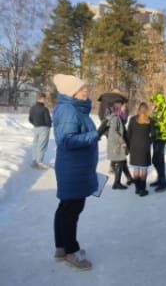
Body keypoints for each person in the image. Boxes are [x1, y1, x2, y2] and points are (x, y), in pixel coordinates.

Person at [52, 73, 99, 270]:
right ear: (71, 92)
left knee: (66, 208)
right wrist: (95, 135)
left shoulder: (74, 110)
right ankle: (71, 251)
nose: (85, 90)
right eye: (81, 89)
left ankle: (61, 248)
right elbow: (66, 140)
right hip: (73, 170)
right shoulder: (68, 111)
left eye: (85, 87)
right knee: (71, 211)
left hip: (77, 168)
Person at [99, 102, 133, 190]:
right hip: (116, 144)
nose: (125, 108)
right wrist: (122, 141)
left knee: (122, 161)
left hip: (115, 143)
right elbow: (114, 132)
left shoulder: (118, 117)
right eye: (124, 106)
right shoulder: (115, 118)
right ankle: (116, 183)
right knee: (121, 161)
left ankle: (129, 178)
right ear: (119, 107)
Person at [97, 89, 129, 173]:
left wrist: (105, 123)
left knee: (112, 145)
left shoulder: (104, 100)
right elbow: (125, 116)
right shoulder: (121, 100)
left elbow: (100, 114)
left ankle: (113, 165)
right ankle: (115, 165)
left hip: (106, 127)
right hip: (118, 127)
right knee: (119, 145)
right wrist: (122, 123)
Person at [127, 102, 152, 197]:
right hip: (144, 147)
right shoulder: (150, 120)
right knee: (143, 168)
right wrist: (149, 141)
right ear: (147, 110)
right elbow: (153, 135)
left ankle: (137, 189)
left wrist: (129, 146)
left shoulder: (132, 119)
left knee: (136, 168)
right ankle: (142, 189)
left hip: (134, 147)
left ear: (138, 109)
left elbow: (128, 134)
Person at [149, 92, 166, 192]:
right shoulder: (157, 108)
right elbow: (153, 120)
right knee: (156, 159)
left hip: (162, 137)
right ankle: (160, 179)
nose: (152, 103)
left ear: (158, 100)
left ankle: (164, 183)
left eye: (154, 101)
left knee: (158, 159)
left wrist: (154, 124)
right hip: (155, 137)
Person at [29, 92, 52, 170]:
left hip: (36, 128)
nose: (45, 100)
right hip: (44, 128)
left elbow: (30, 119)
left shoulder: (32, 108)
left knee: (35, 144)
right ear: (41, 98)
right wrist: (49, 125)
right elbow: (48, 120)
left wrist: (35, 123)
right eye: (45, 98)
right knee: (42, 145)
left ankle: (34, 161)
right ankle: (40, 162)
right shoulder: (44, 109)